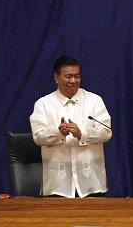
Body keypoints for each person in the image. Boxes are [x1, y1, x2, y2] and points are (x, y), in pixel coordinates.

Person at [30, 55, 112, 198]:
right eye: (68, 76)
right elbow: (38, 137)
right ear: (56, 77)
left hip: (91, 183)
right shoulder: (43, 104)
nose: (73, 81)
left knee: (93, 221)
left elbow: (106, 132)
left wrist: (82, 133)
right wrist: (58, 132)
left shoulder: (94, 100)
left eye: (77, 76)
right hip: (58, 185)